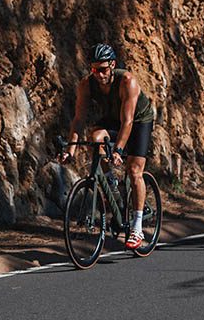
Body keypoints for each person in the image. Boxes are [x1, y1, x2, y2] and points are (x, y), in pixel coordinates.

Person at [60, 43, 155, 249]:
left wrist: (119, 149)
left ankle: (137, 228)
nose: (99, 74)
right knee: (95, 137)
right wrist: (71, 149)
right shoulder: (87, 84)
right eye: (94, 70)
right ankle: (111, 184)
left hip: (139, 121)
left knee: (134, 170)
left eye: (103, 69)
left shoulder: (127, 81)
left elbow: (128, 122)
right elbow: (78, 119)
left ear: (112, 65)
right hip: (112, 119)